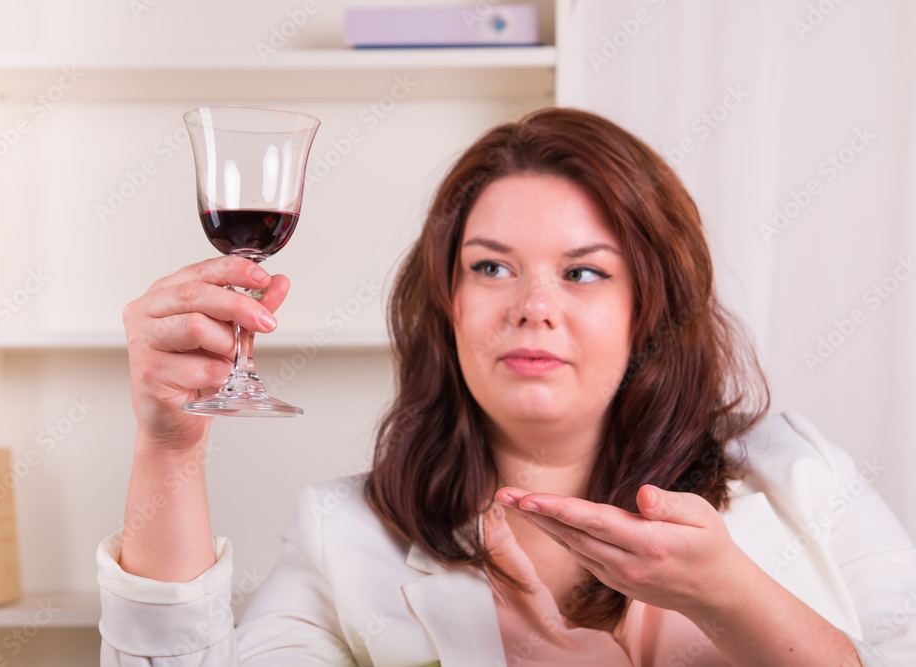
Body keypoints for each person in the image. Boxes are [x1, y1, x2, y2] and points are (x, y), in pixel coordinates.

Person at [97, 108, 916, 666]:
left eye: (584, 272)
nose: (533, 308)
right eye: (491, 266)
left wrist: (730, 594)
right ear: (447, 302)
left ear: (649, 310)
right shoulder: (345, 533)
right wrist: (168, 446)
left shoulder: (802, 477)